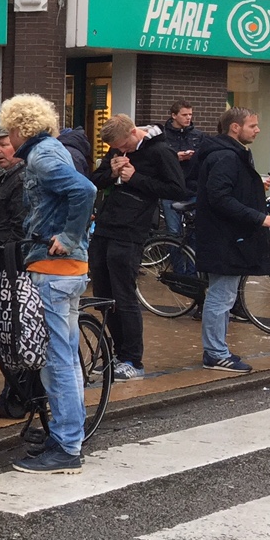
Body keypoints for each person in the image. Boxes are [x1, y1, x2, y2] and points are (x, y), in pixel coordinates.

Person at [0, 93, 97, 475]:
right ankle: (66, 434)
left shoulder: (41, 156)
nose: (7, 138)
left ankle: (67, 446)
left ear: (20, 128)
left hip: (54, 269)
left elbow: (85, 191)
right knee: (66, 359)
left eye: (9, 130)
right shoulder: (52, 149)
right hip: (66, 270)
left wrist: (68, 237)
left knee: (56, 362)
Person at [89, 114, 186, 381]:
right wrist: (112, 172)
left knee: (124, 295)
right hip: (106, 225)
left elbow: (177, 189)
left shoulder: (160, 151)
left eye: (124, 146)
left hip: (132, 230)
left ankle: (133, 360)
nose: (122, 151)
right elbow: (95, 180)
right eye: (116, 149)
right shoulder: (117, 149)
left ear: (134, 132)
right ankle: (117, 354)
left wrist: (135, 178)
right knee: (103, 293)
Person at [194, 107, 270, 374]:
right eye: (252, 126)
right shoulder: (226, 156)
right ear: (235, 127)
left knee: (223, 295)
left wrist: (253, 187)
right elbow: (220, 197)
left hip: (224, 236)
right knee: (221, 297)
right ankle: (215, 353)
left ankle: (216, 350)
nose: (257, 130)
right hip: (225, 238)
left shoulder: (227, 153)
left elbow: (227, 191)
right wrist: (259, 218)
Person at [0, 127, 32, 418]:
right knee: (3, 330)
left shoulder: (22, 180)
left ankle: (15, 400)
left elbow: (20, 230)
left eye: (4, 144)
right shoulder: (5, 177)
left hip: (13, 270)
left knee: (13, 332)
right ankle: (17, 394)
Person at [160, 100, 204, 235]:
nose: (188, 118)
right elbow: (156, 159)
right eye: (184, 115)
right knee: (173, 231)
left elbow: (204, 159)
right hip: (170, 188)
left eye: (190, 114)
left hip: (193, 188)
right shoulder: (163, 135)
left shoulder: (198, 135)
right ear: (174, 115)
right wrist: (175, 158)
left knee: (195, 230)